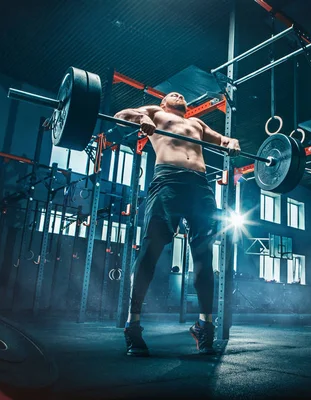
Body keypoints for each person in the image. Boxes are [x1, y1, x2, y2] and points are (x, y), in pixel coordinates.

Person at [113, 92, 241, 356]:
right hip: (167, 182)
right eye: (171, 94)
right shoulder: (154, 113)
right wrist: (141, 118)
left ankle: (205, 327)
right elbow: (120, 116)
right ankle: (132, 325)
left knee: (205, 255)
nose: (177, 94)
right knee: (151, 250)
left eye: (180, 94)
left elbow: (224, 139)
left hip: (200, 186)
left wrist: (233, 142)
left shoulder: (198, 125)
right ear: (163, 103)